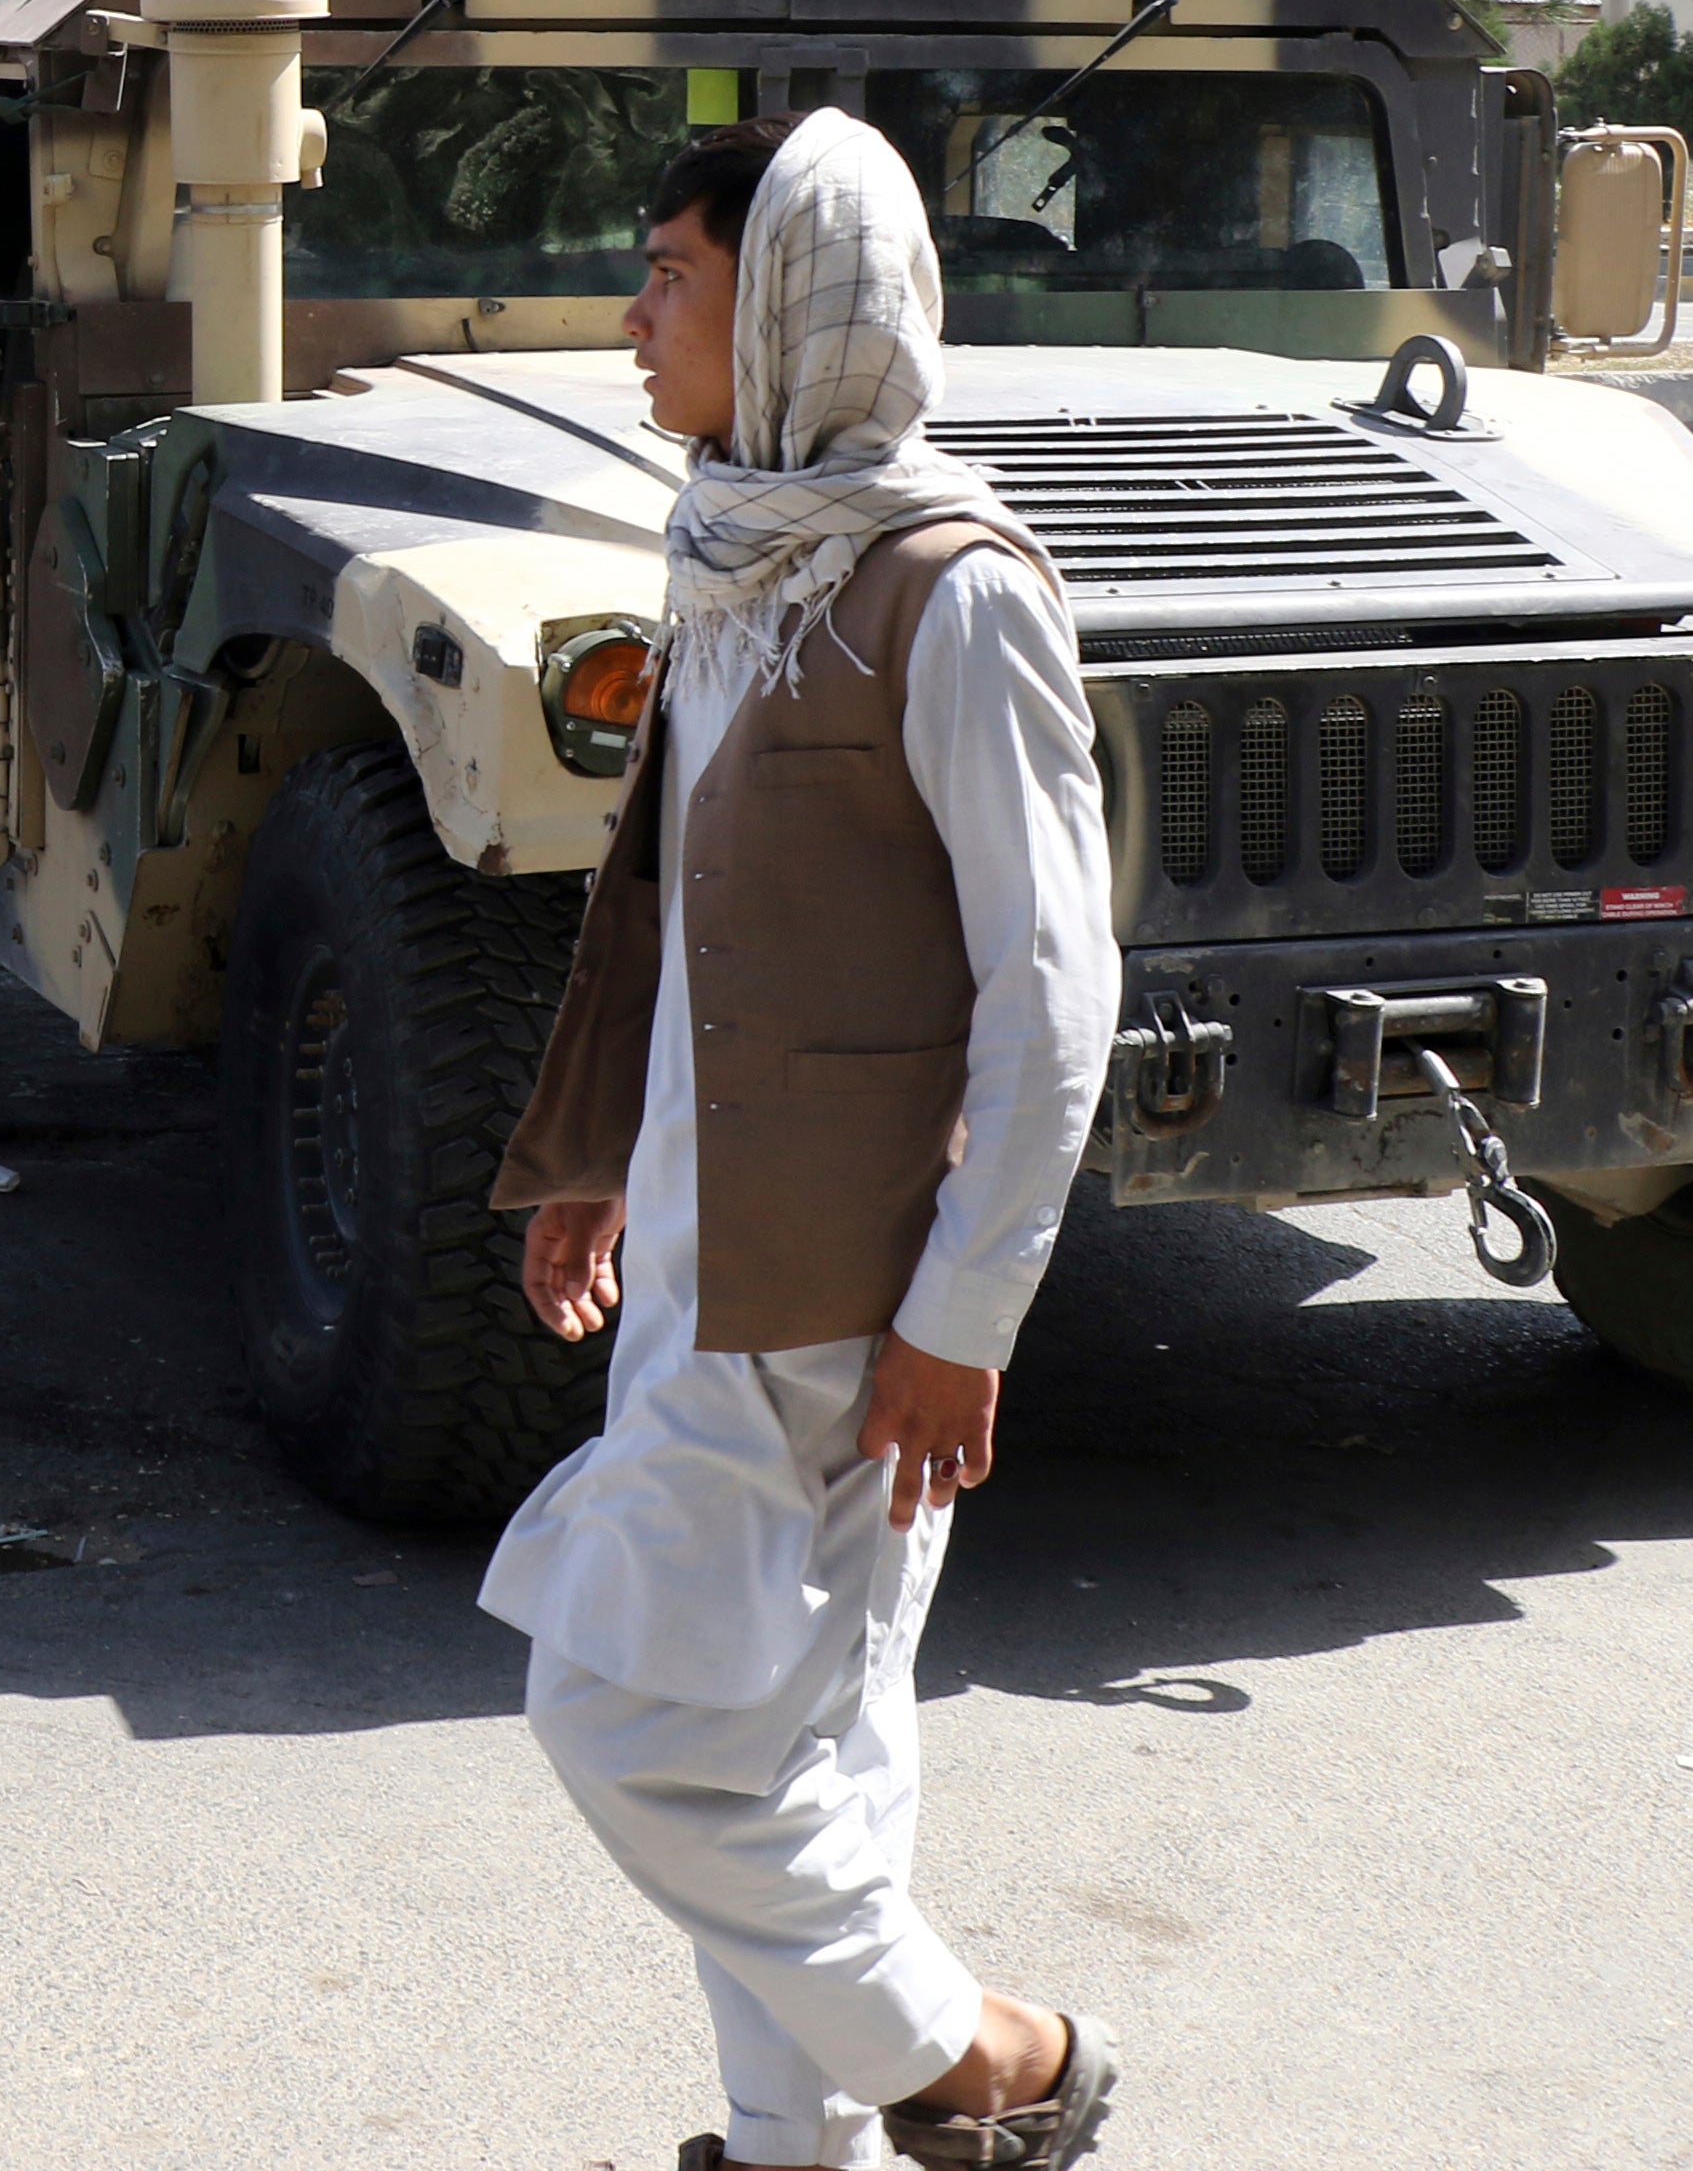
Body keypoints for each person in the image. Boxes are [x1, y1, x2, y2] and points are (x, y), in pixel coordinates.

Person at [480, 110, 1123, 2171]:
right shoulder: (744, 549)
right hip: (700, 1242)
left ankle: (991, 2062)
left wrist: (969, 1314)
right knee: (801, 1743)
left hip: (845, 1301)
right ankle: (788, 2149)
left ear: (783, 303)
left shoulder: (953, 591)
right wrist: (593, 1152)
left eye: (666, 272)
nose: (631, 316)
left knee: (633, 1721)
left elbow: (1054, 990)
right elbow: (671, 913)